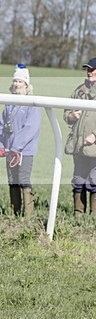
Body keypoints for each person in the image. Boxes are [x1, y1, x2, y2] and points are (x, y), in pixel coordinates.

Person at [0, 64, 41, 217]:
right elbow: (2, 125)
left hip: (24, 151)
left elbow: (30, 129)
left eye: (20, 82)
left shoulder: (32, 104)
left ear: (26, 84)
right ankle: (15, 213)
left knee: (23, 180)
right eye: (15, 81)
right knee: (12, 180)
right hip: (9, 150)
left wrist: (16, 147)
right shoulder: (9, 104)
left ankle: (28, 216)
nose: (16, 84)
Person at [63, 57, 96, 216]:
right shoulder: (79, 91)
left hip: (94, 146)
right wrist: (71, 116)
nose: (89, 72)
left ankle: (94, 218)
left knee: (94, 181)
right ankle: (78, 215)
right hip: (78, 145)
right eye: (87, 69)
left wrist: (95, 136)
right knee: (78, 180)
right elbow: (66, 112)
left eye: (92, 69)